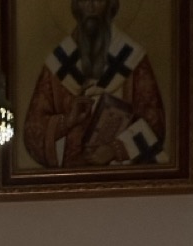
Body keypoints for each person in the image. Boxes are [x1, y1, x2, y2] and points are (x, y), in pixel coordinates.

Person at [23, 0, 166, 169]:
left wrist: (115, 150)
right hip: (70, 177)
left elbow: (155, 124)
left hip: (120, 176)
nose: (90, 6)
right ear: (75, 6)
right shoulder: (58, 64)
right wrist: (65, 122)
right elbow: (33, 132)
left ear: (111, 5)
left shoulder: (132, 59)